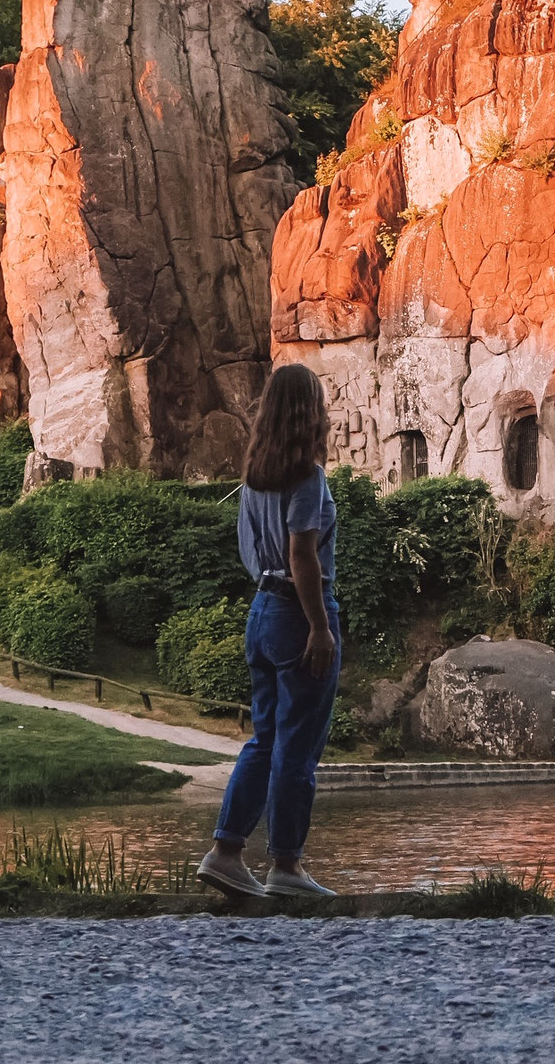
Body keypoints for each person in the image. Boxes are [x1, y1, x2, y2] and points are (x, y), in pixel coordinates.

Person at [196, 363, 341, 898]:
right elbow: (301, 555)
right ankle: (286, 866)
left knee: (265, 739)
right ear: (311, 413)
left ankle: (226, 852)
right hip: (297, 611)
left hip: (260, 609)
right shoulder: (307, 477)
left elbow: (248, 552)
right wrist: (319, 628)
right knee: (298, 746)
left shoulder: (253, 476)